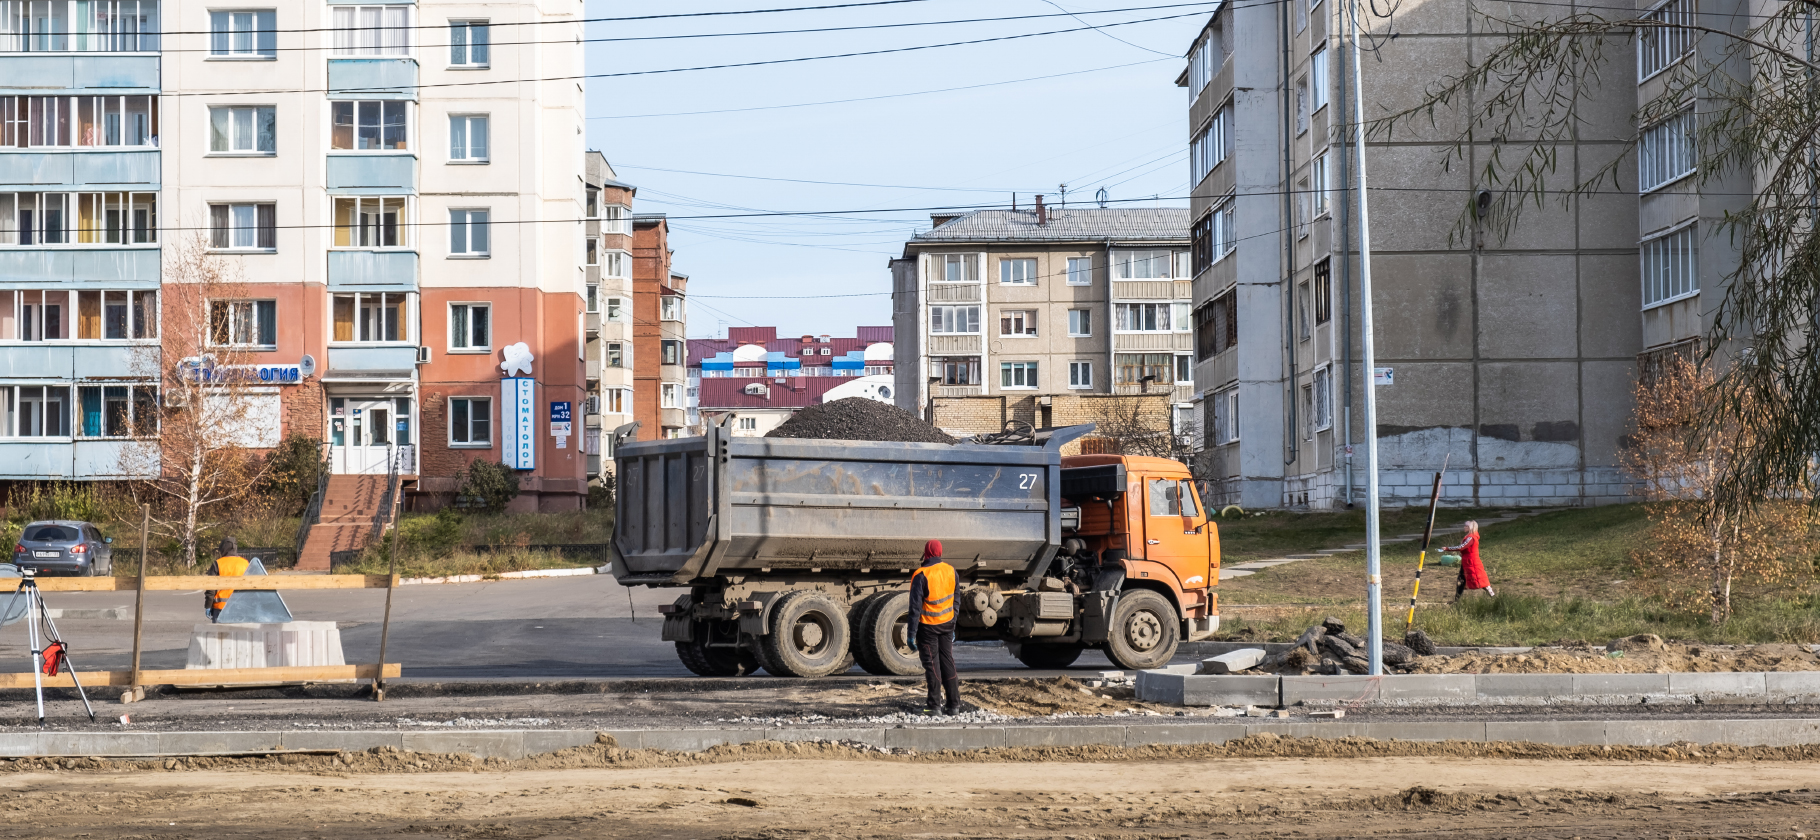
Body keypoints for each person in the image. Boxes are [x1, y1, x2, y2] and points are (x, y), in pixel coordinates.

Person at [905, 539, 960, 715]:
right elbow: (956, 599)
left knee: (932, 665)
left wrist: (911, 634)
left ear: (926, 552)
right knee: (948, 662)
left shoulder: (921, 574)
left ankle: (934, 706)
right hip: (947, 624)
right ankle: (954, 706)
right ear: (940, 551)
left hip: (928, 627)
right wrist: (952, 624)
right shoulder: (951, 571)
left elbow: (915, 608)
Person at [1444, 521, 1496, 601]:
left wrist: (1447, 549)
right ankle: (1457, 600)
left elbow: (1461, 547)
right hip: (1467, 562)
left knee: (1480, 580)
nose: (1464, 527)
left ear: (1470, 528)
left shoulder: (1471, 538)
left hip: (1472, 563)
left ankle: (1493, 596)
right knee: (1462, 580)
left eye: (1466, 526)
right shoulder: (1470, 537)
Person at [205, 537, 250, 623]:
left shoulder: (217, 563)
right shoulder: (245, 563)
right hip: (241, 607)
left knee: (220, 635)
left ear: (223, 548)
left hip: (220, 607)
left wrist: (208, 605)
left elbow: (211, 588)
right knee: (239, 635)